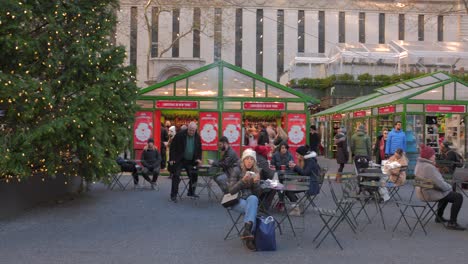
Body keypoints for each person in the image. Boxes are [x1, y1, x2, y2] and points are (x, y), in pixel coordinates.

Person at [414, 144, 465, 231]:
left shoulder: (419, 164)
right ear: (428, 156)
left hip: (422, 191)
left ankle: (439, 217)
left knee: (446, 193)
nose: (434, 156)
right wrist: (449, 187)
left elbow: (437, 183)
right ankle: (452, 223)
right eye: (433, 155)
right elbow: (440, 184)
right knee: (458, 197)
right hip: (429, 193)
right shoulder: (428, 167)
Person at [226, 149, 262, 251]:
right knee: (253, 208)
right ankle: (249, 238)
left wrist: (256, 183)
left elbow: (258, 194)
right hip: (236, 201)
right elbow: (231, 190)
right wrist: (242, 181)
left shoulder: (256, 172)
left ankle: (247, 232)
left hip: (250, 200)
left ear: (254, 161)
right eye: (247, 159)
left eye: (252, 159)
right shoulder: (237, 170)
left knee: (253, 199)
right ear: (243, 160)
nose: (249, 161)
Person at [169, 122, 202, 202]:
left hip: (191, 161)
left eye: (193, 131)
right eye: (190, 130)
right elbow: (172, 147)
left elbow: (199, 149)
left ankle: (191, 192)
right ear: (188, 128)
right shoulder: (180, 135)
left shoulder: (197, 137)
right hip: (180, 160)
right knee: (176, 175)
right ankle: (173, 195)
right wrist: (172, 158)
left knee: (194, 174)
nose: (191, 132)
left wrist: (198, 158)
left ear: (195, 130)